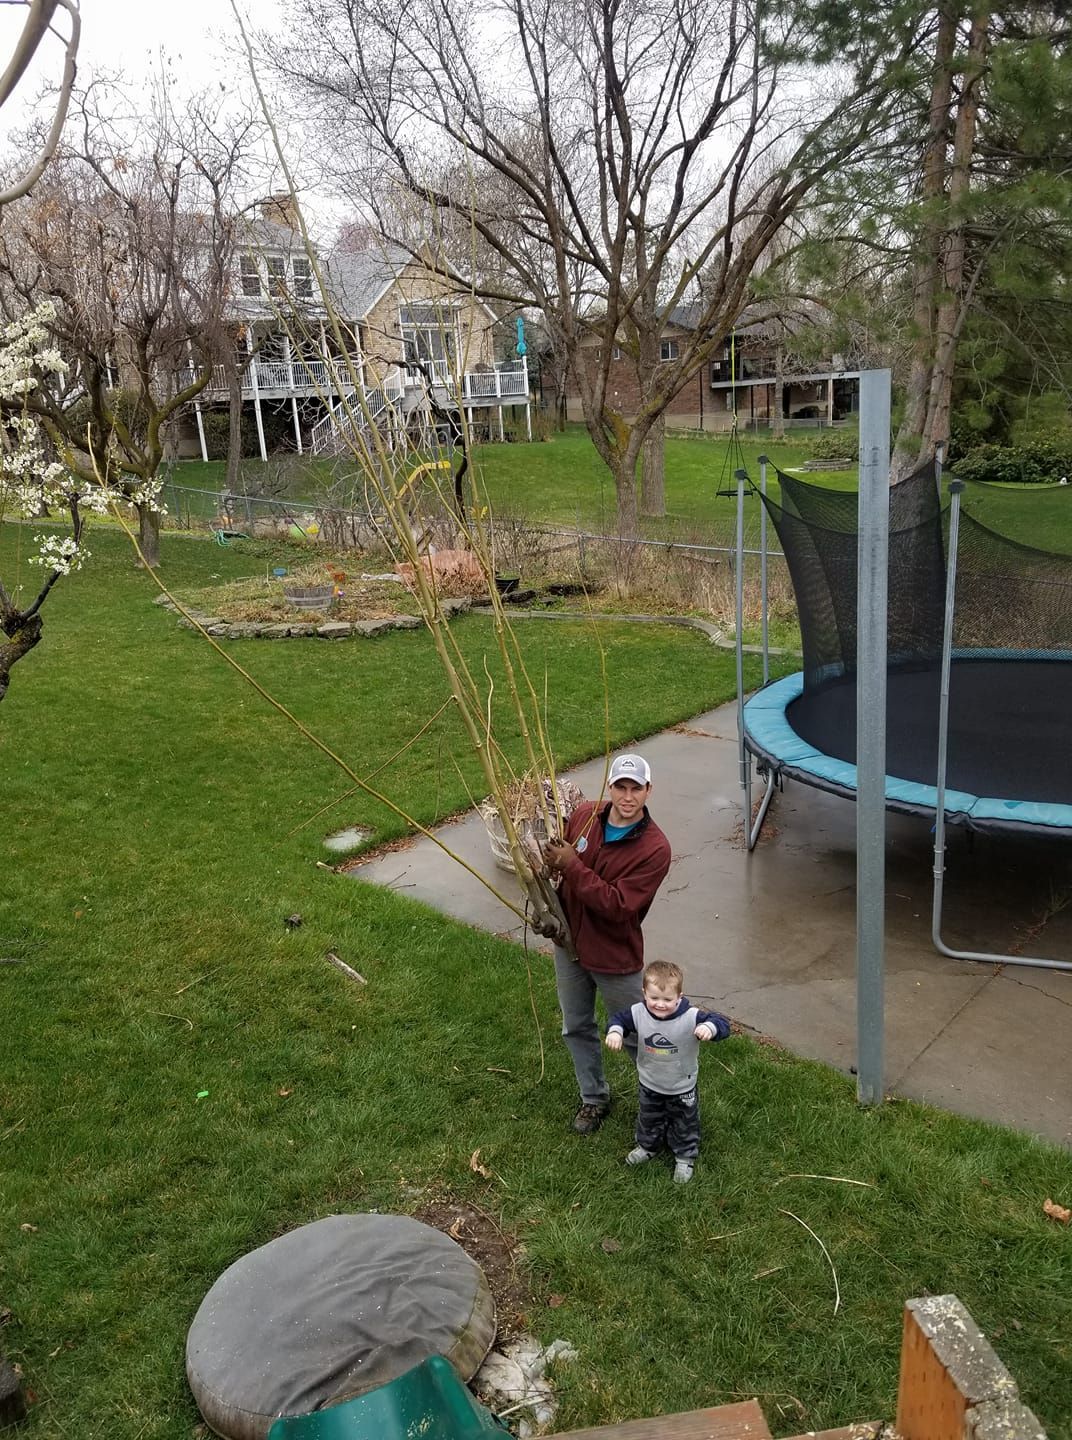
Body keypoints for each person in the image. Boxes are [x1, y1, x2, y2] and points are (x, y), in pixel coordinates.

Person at [543, 752, 672, 1135]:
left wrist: (571, 865)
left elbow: (618, 906)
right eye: (620, 787)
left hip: (614, 955)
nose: (627, 797)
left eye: (636, 788)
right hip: (570, 946)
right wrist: (550, 912)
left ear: (648, 790)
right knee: (576, 1026)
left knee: (636, 1035)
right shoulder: (585, 815)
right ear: (610, 786)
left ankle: (663, 1106)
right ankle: (594, 1098)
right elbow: (561, 872)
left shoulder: (655, 849)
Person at [605, 959, 731, 1184]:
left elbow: (722, 1023)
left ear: (679, 997)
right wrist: (615, 1031)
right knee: (648, 1117)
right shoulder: (638, 1012)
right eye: (654, 998)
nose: (660, 1004)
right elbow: (619, 1020)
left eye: (667, 999)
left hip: (682, 1086)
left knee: (684, 1122)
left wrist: (709, 1027)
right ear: (644, 993)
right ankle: (647, 1146)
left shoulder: (691, 1016)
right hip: (649, 1083)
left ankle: (684, 1156)